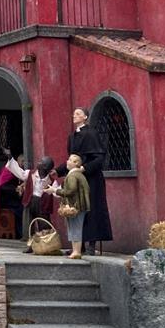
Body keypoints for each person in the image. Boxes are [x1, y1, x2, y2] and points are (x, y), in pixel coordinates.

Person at [57, 107, 112, 254]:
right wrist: (57, 171)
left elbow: (99, 158)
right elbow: (72, 159)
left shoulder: (92, 133)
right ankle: (78, 247)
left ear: (85, 117)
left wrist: (84, 168)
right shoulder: (72, 136)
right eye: (74, 113)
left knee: (91, 210)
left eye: (78, 113)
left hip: (91, 180)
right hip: (76, 181)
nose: (74, 115)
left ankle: (91, 246)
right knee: (76, 210)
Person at [53, 154, 91, 259]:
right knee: (74, 228)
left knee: (75, 228)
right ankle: (75, 250)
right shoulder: (76, 175)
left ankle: (77, 251)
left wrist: (55, 190)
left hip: (76, 206)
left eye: (70, 160)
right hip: (78, 205)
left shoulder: (73, 176)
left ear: (76, 164)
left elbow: (71, 191)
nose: (67, 161)